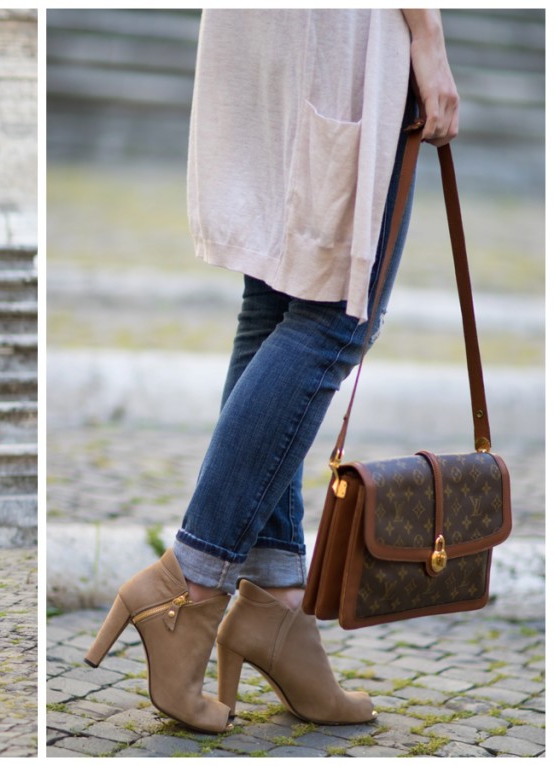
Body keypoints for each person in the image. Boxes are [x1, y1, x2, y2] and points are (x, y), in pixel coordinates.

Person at [85, 10, 458, 732]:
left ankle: (276, 601)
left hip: (261, 34)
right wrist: (430, 38)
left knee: (281, 297)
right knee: (338, 316)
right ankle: (189, 586)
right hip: (340, 36)